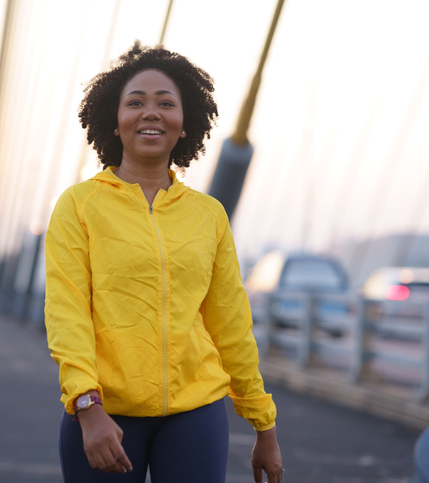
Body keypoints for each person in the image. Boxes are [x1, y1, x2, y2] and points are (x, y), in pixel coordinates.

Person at [44, 41, 283, 483]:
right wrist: (86, 405)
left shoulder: (208, 215)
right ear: (114, 122)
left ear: (183, 122)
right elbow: (67, 311)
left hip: (196, 411)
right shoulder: (78, 205)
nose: (150, 112)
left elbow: (229, 321)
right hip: (105, 413)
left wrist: (263, 424)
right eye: (135, 102)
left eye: (165, 103)